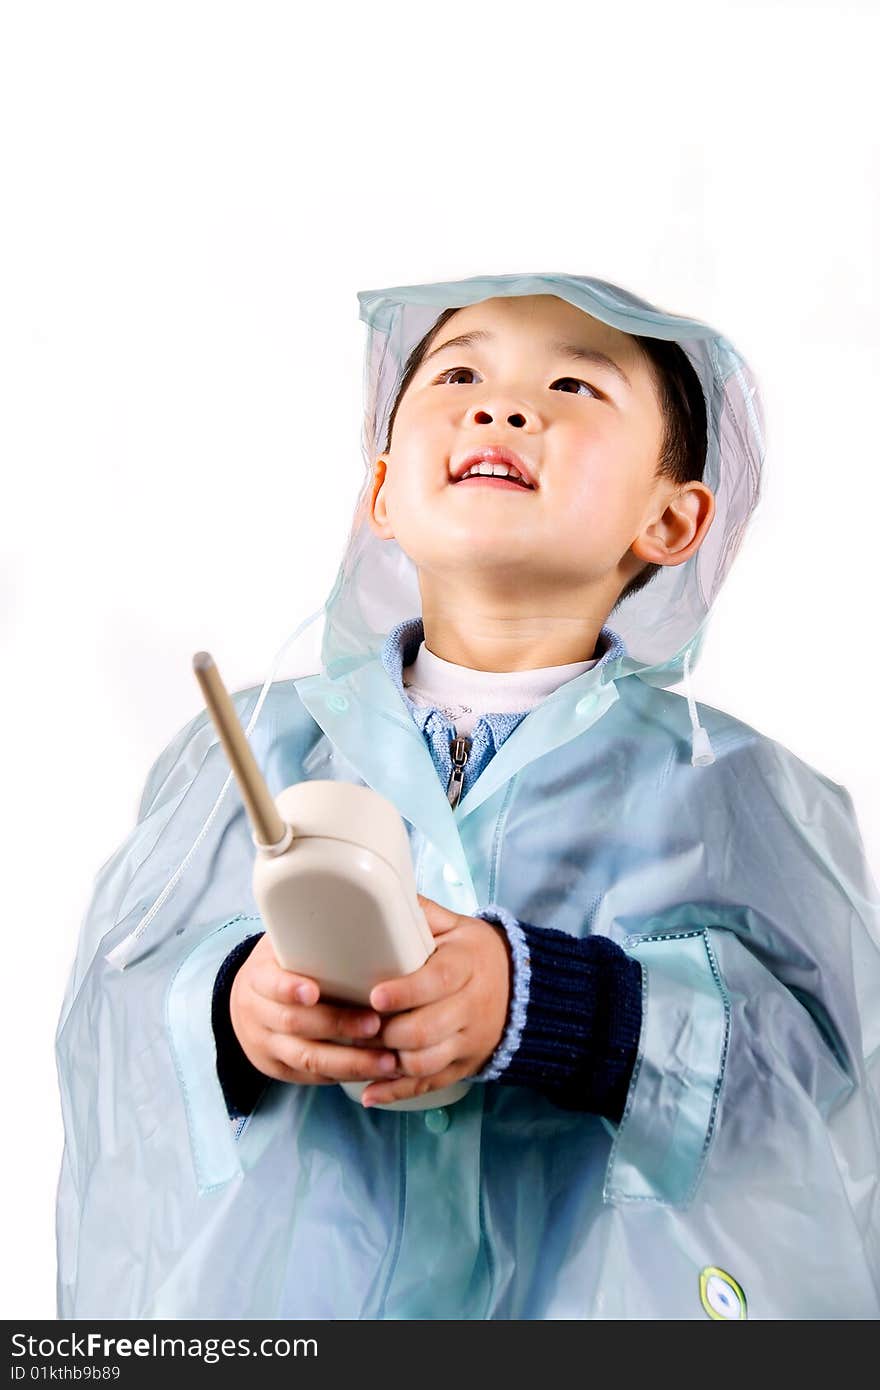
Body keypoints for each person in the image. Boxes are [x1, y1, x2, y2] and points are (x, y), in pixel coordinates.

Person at [55, 272, 880, 1320]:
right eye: (458, 372)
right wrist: (234, 1011)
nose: (501, 405)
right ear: (384, 490)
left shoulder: (736, 791)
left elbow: (821, 1076)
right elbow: (117, 1013)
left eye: (576, 387)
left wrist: (560, 1010)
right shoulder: (250, 753)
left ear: (673, 520)